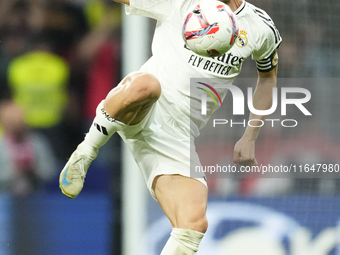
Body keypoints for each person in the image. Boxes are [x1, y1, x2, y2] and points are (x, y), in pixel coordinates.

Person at [59, 0, 282, 254]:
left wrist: (250, 136)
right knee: (146, 85)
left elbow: (267, 80)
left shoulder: (261, 27)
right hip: (139, 106)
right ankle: (86, 151)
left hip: (178, 136)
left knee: (193, 225)